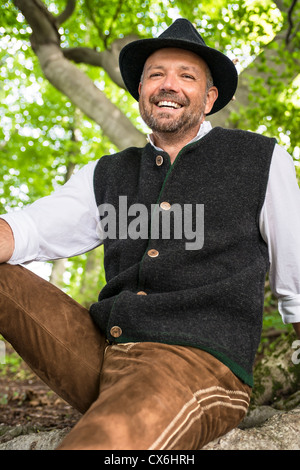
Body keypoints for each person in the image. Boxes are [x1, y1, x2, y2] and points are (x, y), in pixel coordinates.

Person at [0, 18, 299, 451]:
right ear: (140, 91)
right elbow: (26, 229)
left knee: (104, 444)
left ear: (210, 96)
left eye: (186, 76)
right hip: (100, 351)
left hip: (199, 364)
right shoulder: (106, 173)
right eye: (155, 75)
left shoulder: (261, 159)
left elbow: (296, 282)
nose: (168, 85)